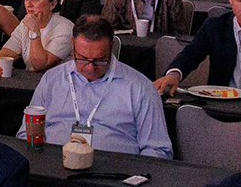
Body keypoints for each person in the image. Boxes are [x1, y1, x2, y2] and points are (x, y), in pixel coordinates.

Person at [32, 17, 172, 156]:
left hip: (115, 172)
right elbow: (28, 133)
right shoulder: (52, 79)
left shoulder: (140, 88)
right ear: (72, 45)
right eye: (82, 58)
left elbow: (158, 150)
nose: (90, 68)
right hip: (53, 167)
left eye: (99, 60)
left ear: (111, 47)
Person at [0, 0, 72, 72]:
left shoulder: (65, 28)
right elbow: (5, 54)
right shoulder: (25, 25)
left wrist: (34, 32)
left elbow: (40, 66)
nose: (28, 4)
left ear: (52, 4)